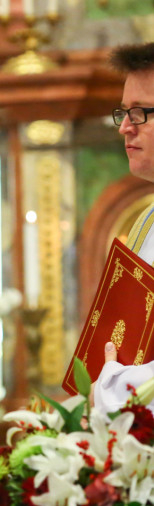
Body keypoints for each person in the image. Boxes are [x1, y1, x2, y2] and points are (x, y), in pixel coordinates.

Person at [94, 42, 154, 412]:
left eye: (140, 113)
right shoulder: (147, 220)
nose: (125, 128)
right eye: (124, 112)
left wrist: (108, 391)